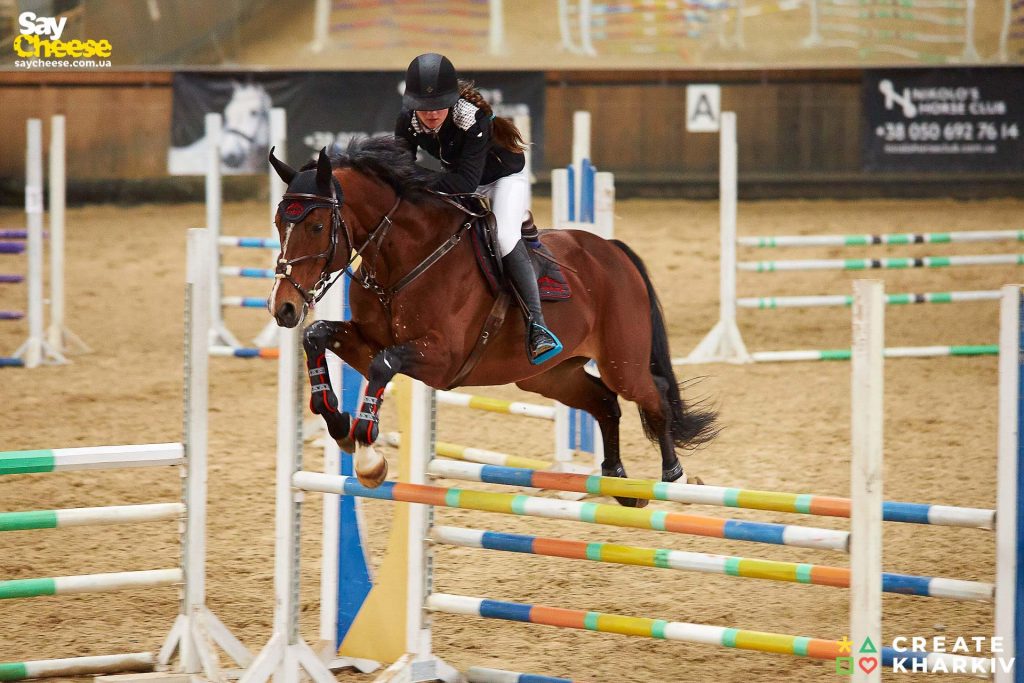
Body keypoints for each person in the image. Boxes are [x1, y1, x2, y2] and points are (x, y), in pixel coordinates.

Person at [395, 52, 562, 366]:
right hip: (457, 178)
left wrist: (416, 182)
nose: (430, 115)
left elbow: (466, 181)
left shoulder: (471, 117)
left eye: (438, 106)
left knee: (502, 237)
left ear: (452, 99)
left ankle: (537, 326)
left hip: (503, 180)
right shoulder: (408, 119)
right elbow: (400, 167)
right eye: (424, 108)